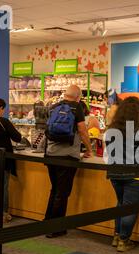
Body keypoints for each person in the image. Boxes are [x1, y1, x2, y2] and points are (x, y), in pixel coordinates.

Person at [105, 97, 139, 252]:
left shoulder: (112, 128)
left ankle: (117, 236)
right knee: (130, 208)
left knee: (121, 205)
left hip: (115, 172)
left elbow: (109, 150)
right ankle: (123, 240)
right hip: (136, 173)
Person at [44, 85, 92, 238]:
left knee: (55, 189)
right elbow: (83, 130)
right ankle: (56, 228)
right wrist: (89, 149)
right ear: (78, 97)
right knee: (62, 192)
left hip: (51, 154)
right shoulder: (76, 108)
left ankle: (47, 222)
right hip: (68, 156)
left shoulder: (53, 107)